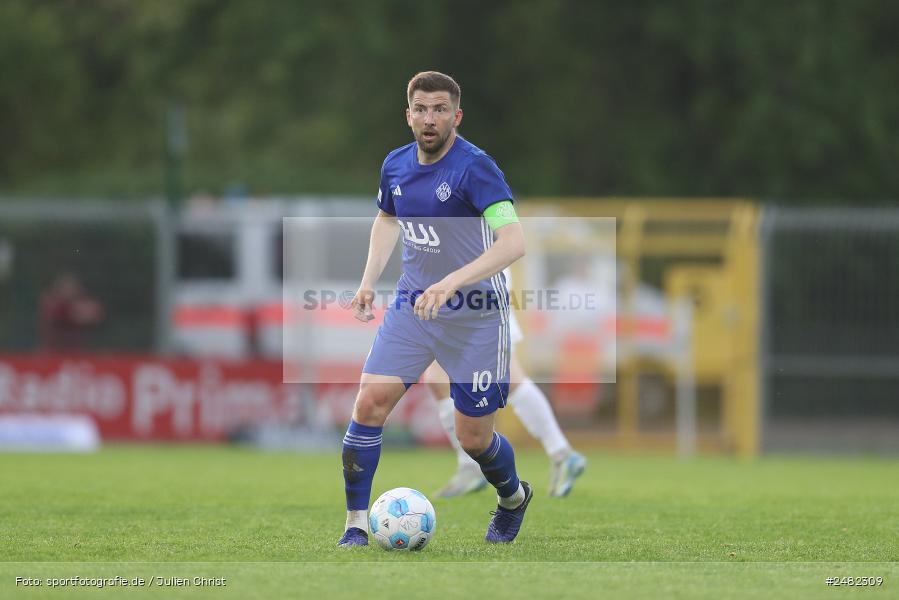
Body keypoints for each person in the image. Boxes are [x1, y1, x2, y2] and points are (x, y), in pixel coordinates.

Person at [338, 71, 531, 546]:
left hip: (476, 314)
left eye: (440, 109)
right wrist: (367, 281)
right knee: (369, 403)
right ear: (408, 116)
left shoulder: (476, 169)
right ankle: (355, 526)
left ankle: (513, 498)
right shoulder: (395, 165)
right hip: (414, 306)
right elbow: (387, 219)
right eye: (421, 109)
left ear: (456, 116)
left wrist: (451, 282)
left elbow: (514, 242)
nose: (430, 118)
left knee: (474, 439)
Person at [424, 274, 587, 498]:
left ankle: (560, 453)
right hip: (465, 289)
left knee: (507, 377)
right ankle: (472, 466)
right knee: (438, 378)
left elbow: (503, 250)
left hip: (478, 289)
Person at [38, 272, 104, 352]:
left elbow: (95, 313)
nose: (70, 290)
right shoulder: (56, 305)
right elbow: (77, 315)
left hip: (75, 352)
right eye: (67, 287)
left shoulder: (75, 301)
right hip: (55, 352)